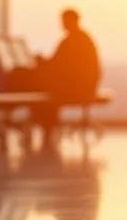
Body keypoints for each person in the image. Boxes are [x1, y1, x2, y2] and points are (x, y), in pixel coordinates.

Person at [33, 9, 102, 137]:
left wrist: (40, 61)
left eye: (63, 20)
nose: (61, 24)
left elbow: (56, 64)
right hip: (86, 86)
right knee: (47, 86)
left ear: (70, 21)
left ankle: (47, 125)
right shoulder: (83, 38)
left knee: (41, 89)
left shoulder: (72, 41)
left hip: (77, 88)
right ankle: (48, 124)